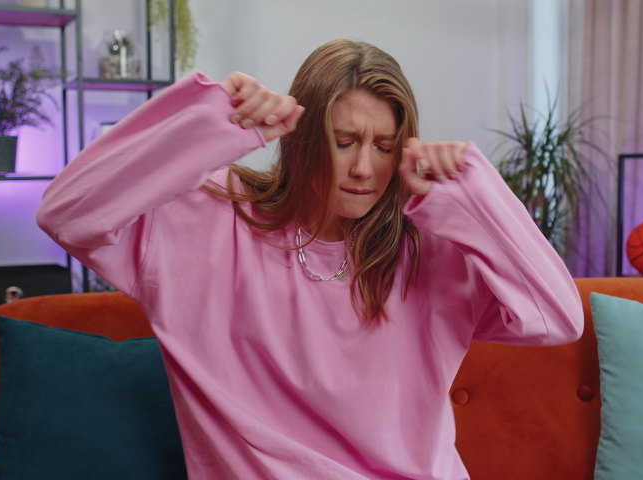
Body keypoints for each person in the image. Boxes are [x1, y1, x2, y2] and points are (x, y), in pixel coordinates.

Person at [37, 39, 583, 480]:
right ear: (300, 140)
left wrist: (471, 194)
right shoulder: (209, 220)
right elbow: (65, 212)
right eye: (344, 141)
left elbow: (559, 320)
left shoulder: (428, 250)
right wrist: (210, 120)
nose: (365, 168)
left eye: (385, 146)